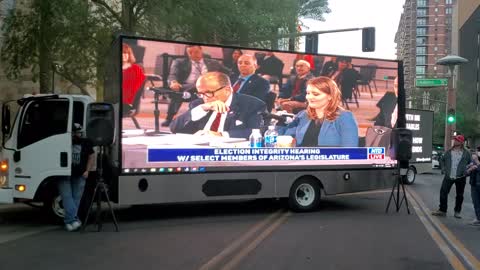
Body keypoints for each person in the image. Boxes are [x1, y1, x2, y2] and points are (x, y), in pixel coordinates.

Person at [170, 72, 266, 139]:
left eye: (209, 92)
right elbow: (174, 128)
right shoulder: (199, 104)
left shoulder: (252, 104)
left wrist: (220, 135)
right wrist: (203, 108)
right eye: (201, 93)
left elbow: (258, 131)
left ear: (227, 90)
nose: (205, 98)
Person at [280, 76, 359, 147]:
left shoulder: (345, 117)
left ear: (330, 96)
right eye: (308, 93)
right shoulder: (303, 115)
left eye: (315, 94)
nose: (309, 97)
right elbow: (284, 138)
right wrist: (280, 123)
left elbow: (350, 151)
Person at [163, 45, 230, 127]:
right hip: (185, 87)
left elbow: (228, 73)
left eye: (196, 52)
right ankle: (169, 118)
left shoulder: (213, 62)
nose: (193, 54)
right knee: (179, 92)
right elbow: (173, 75)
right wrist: (173, 82)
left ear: (201, 51)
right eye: (190, 52)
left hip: (207, 89)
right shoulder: (179, 62)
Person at [57, 123, 95, 231]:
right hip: (64, 173)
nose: (76, 135)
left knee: (74, 199)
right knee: (68, 198)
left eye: (78, 132)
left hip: (80, 174)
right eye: (74, 132)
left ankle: (70, 221)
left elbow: (91, 156)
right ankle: (72, 220)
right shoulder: (62, 141)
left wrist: (87, 170)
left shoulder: (86, 142)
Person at [432, 135, 472, 218]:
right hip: (449, 176)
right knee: (443, 192)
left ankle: (457, 212)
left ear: (461, 142)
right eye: (455, 140)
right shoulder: (449, 151)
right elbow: (442, 160)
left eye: (457, 140)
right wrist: (443, 169)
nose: (455, 141)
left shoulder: (466, 153)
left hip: (461, 177)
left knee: (459, 195)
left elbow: (470, 163)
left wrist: (466, 172)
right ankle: (442, 210)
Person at [122, 43, 146, 109]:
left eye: (125, 52)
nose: (123, 55)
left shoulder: (136, 69)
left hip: (126, 104)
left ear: (129, 54)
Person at [466, 147, 480, 226]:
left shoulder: (476, 161)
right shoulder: (473, 160)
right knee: (476, 203)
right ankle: (478, 219)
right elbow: (466, 172)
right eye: (478, 150)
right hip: (474, 184)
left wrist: (477, 163)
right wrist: (469, 169)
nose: (478, 152)